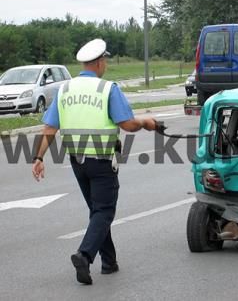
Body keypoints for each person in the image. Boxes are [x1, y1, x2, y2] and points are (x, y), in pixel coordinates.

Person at [32, 39, 160, 285]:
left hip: (77, 163)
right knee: (104, 211)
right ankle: (84, 255)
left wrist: (38, 157)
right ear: (100, 62)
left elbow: (50, 127)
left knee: (98, 211)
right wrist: (145, 123)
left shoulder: (65, 90)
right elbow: (126, 123)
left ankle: (109, 262)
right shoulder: (107, 89)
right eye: (106, 61)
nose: (107, 65)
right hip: (101, 162)